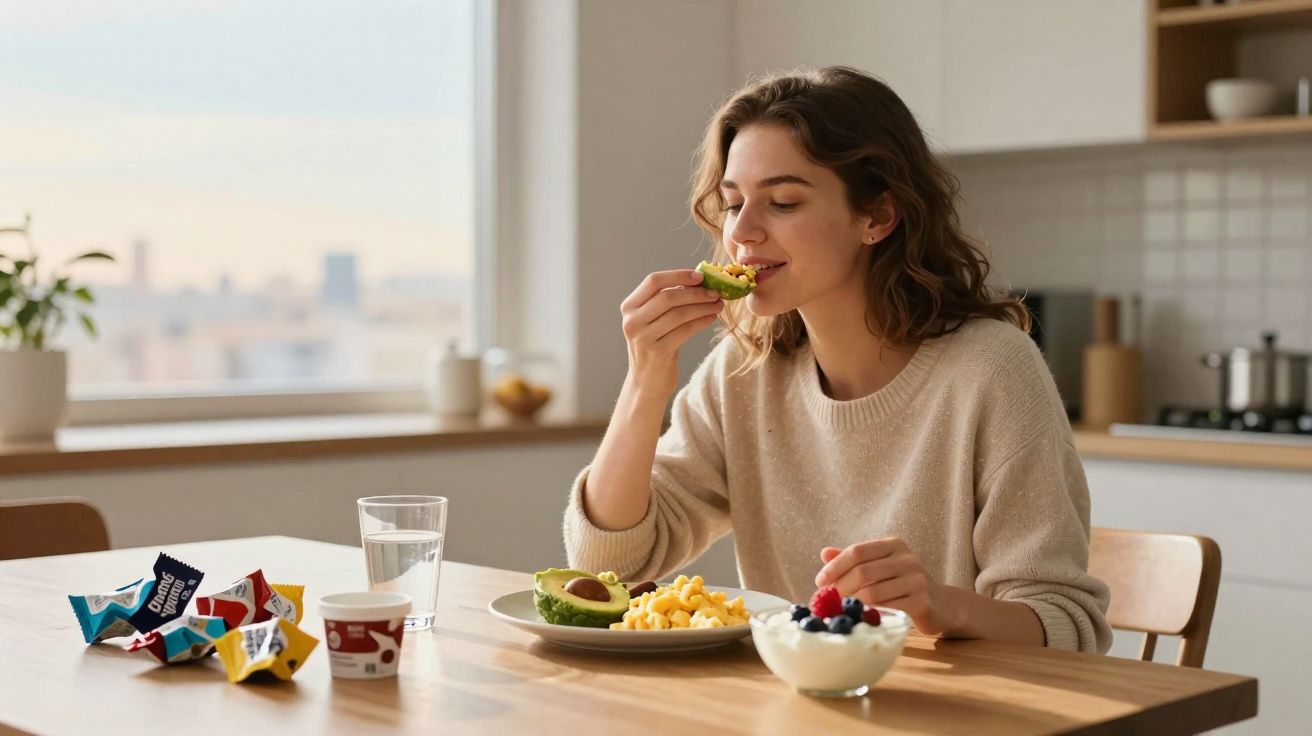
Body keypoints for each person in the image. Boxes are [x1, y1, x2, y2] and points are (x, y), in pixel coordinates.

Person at [562, 66, 1111, 653]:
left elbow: (1067, 628)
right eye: (732, 204)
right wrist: (646, 377)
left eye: (783, 202)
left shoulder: (992, 370)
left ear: (876, 216)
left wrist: (939, 604)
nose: (742, 233)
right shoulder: (743, 373)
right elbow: (606, 566)